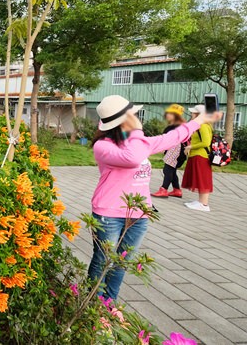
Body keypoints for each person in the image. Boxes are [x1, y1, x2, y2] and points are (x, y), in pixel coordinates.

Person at [88, 95, 218, 301]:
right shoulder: (103, 146)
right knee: (103, 261)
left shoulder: (140, 143)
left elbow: (172, 137)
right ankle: (91, 305)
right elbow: (132, 159)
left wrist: (201, 120)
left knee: (122, 262)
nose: (137, 118)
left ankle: (108, 305)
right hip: (109, 214)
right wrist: (136, 129)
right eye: (133, 116)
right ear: (124, 121)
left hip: (139, 216)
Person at [182, 105, 215, 212]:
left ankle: (204, 204)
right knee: (199, 178)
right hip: (197, 155)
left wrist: (190, 146)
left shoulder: (203, 126)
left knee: (202, 179)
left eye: (193, 112)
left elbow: (206, 142)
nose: (191, 114)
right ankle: (201, 202)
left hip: (201, 156)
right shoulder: (200, 125)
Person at [151, 104, 187, 198]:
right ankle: (177, 190)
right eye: (167, 113)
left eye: (171, 113)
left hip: (176, 150)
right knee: (172, 170)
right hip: (175, 150)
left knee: (167, 169)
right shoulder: (176, 125)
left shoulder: (178, 126)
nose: (167, 115)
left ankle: (164, 189)